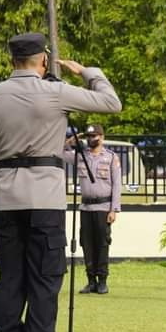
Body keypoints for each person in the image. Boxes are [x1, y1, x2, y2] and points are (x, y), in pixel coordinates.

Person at [0, 32, 121, 332]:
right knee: (45, 281)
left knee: (9, 279)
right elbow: (111, 103)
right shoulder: (56, 92)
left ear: (11, 60)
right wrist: (87, 72)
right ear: (44, 60)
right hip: (45, 200)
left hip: (6, 201)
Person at [63, 124, 121, 295]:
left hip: (103, 207)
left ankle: (102, 281)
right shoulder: (81, 156)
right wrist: (72, 139)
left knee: (102, 244)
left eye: (94, 136)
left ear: (101, 137)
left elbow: (117, 185)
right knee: (86, 244)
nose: (90, 139)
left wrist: (114, 210)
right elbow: (59, 151)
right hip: (86, 207)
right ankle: (91, 281)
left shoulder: (110, 157)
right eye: (88, 136)